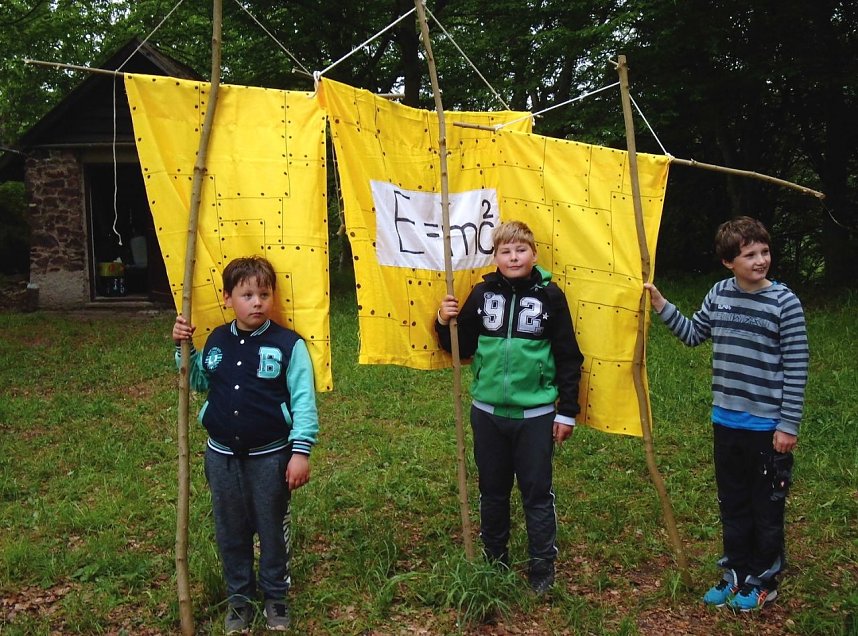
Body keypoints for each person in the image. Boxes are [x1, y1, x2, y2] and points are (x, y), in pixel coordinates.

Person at [644, 216, 808, 611]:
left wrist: (788, 424)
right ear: (727, 262)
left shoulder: (784, 303)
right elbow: (693, 334)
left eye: (764, 251)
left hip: (768, 428)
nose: (760, 260)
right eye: (749, 254)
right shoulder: (719, 294)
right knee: (733, 502)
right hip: (726, 422)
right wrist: (661, 306)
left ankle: (763, 579)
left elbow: (797, 365)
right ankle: (734, 572)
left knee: (766, 507)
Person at [435, 220, 584, 594]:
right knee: (492, 489)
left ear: (534, 253)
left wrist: (567, 410)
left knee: (536, 491)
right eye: (505, 251)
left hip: (535, 416)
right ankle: (494, 558)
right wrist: (443, 320)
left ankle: (541, 566)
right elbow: (462, 346)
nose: (513, 256)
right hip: (487, 413)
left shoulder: (551, 296)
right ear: (496, 256)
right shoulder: (483, 293)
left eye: (520, 250)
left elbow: (568, 356)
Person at [172, 256, 318, 633]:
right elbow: (202, 381)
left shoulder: (288, 345)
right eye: (247, 294)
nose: (257, 302)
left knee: (271, 528)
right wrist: (184, 349)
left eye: (264, 294)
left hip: (270, 458)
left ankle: (275, 596)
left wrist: (299, 452)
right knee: (230, 529)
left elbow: (304, 400)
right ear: (227, 298)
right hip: (221, 458)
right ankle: (239, 599)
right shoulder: (217, 340)